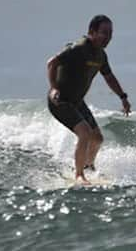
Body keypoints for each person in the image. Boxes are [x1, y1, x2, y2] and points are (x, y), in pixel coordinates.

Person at [46, 14, 131, 184]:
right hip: (60, 101)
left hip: (77, 102)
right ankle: (79, 175)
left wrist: (123, 97)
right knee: (84, 133)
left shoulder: (101, 55)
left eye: (110, 34)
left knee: (97, 139)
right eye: (104, 33)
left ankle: (88, 167)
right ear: (92, 31)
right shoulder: (78, 48)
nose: (108, 37)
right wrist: (54, 87)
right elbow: (52, 62)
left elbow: (109, 76)